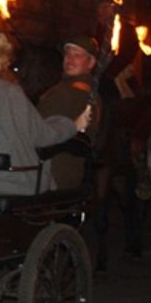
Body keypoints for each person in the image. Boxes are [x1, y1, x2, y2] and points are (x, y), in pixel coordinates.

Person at [0, 31, 91, 195]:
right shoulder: (10, 93)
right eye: (8, 62)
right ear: (1, 63)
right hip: (13, 179)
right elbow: (42, 135)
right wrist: (73, 125)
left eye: (77, 56)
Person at [37, 36, 102, 190]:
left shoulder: (67, 92)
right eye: (68, 55)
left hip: (51, 172)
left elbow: (38, 130)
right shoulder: (90, 92)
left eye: (77, 55)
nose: (70, 59)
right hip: (72, 172)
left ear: (91, 63)